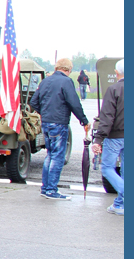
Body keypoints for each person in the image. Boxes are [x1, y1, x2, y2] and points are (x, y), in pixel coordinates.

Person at [30, 57, 90, 199]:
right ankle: (51, 190)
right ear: (68, 70)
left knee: (50, 155)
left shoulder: (45, 81)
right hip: (59, 123)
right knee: (57, 156)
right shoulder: (66, 81)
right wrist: (84, 121)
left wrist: (43, 113)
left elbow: (34, 101)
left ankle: (45, 188)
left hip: (46, 123)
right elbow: (74, 103)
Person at [91, 59, 124, 216]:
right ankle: (120, 204)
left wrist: (98, 139)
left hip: (115, 135)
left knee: (107, 168)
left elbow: (107, 117)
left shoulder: (114, 89)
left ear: (116, 73)